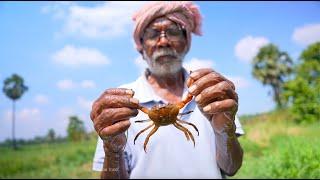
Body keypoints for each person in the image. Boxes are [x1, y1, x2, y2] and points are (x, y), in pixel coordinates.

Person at [91, 1, 244, 179]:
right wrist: (112, 151)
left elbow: (231, 168)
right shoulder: (120, 103)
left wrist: (225, 131)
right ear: (141, 47)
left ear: (187, 41)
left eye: (173, 32)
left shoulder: (209, 92)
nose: (163, 41)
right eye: (152, 34)